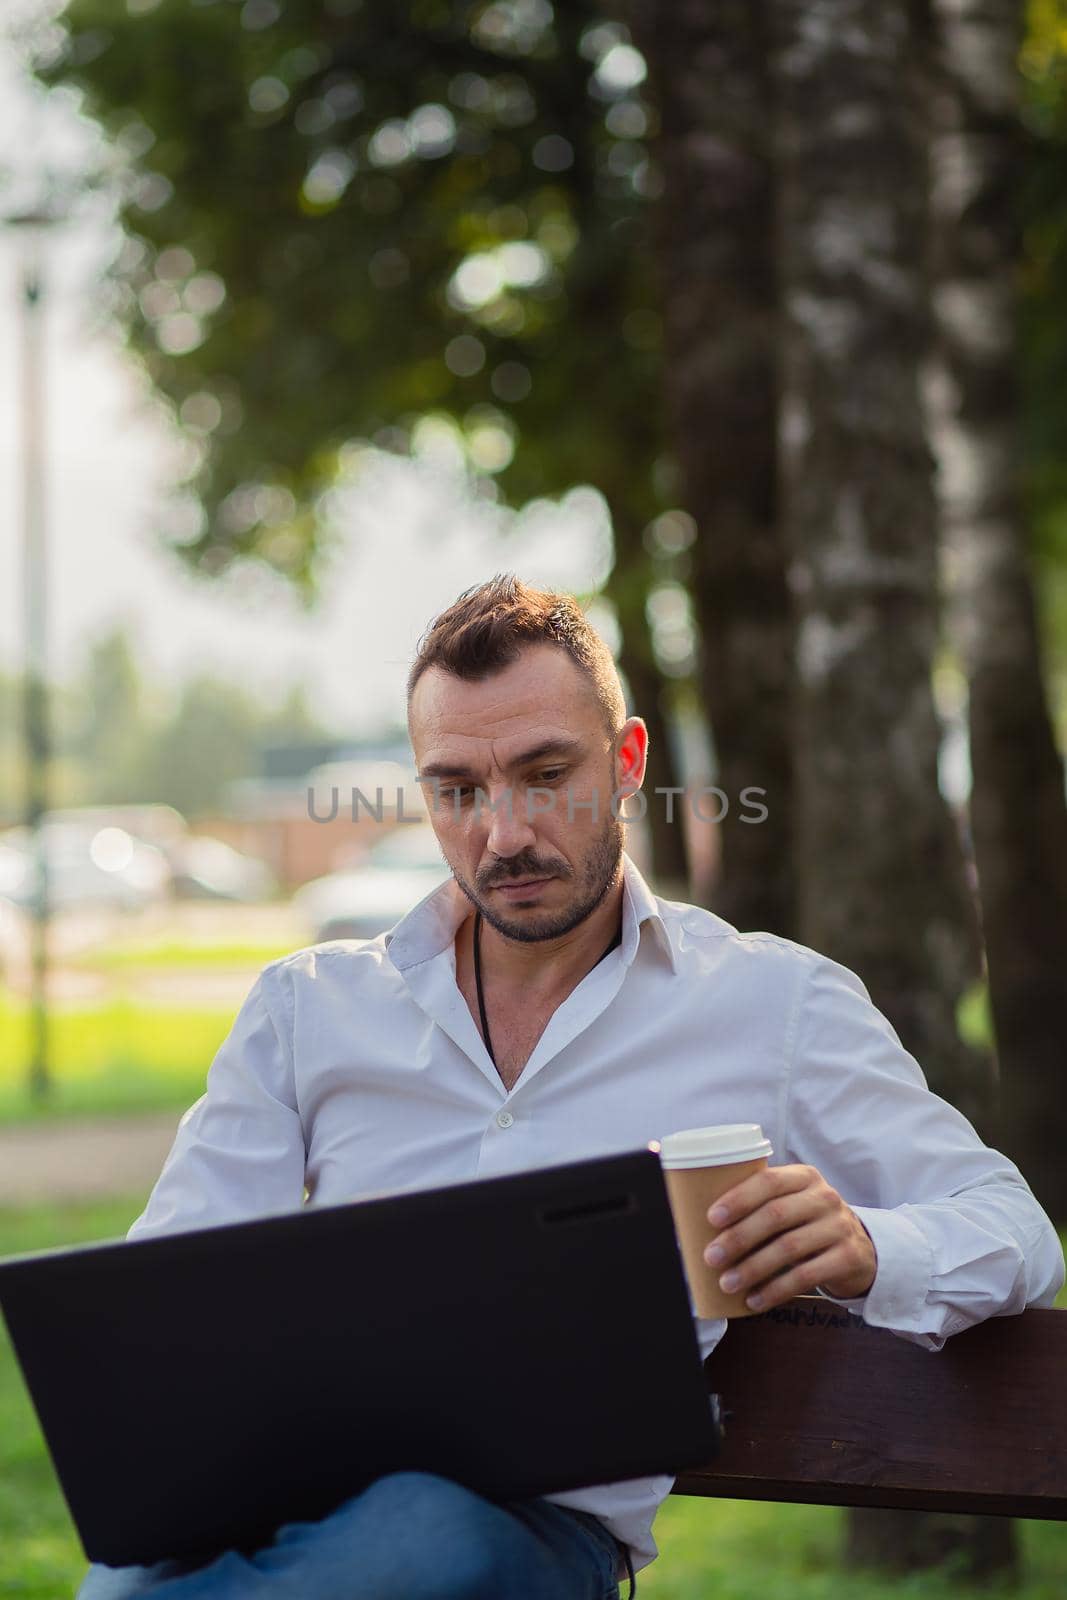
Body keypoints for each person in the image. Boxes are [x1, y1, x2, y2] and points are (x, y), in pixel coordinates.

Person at [78, 575, 1064, 1600]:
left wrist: (869, 1246)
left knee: (422, 1539)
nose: (501, 834)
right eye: (457, 790)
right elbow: (168, 1293)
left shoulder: (773, 1002)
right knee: (126, 1574)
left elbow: (1014, 1231)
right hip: (297, 1496)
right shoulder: (305, 1011)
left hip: (532, 1541)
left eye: (545, 775)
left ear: (628, 762)